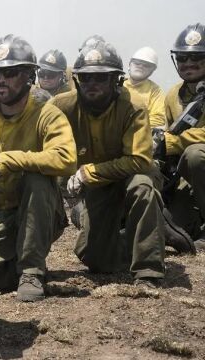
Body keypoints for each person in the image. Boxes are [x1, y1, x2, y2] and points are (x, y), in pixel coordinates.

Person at [50, 41, 166, 288]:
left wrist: (88, 172)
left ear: (116, 80)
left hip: (133, 173)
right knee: (95, 259)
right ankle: (155, 233)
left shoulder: (134, 105)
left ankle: (148, 270)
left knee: (142, 187)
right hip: (100, 183)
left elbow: (139, 160)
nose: (92, 84)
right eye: (86, 78)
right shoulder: (61, 106)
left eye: (101, 78)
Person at [0, 35, 77, 302]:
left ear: (28, 76)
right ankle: (12, 264)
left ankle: (31, 271)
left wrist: (10, 160)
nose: (0, 80)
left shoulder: (47, 113)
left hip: (36, 210)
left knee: (38, 177)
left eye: (9, 73)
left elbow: (66, 158)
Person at [157, 23, 205, 250]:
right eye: (183, 57)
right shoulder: (173, 94)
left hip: (197, 162)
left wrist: (174, 142)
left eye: (196, 57)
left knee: (195, 154)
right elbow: (167, 136)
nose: (188, 63)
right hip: (185, 176)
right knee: (177, 229)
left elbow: (174, 142)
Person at [123, 47, 166, 128]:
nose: (140, 66)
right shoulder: (117, 85)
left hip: (138, 135)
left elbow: (158, 118)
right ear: (130, 64)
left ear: (152, 70)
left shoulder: (155, 90)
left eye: (146, 65)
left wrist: (131, 124)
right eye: (137, 63)